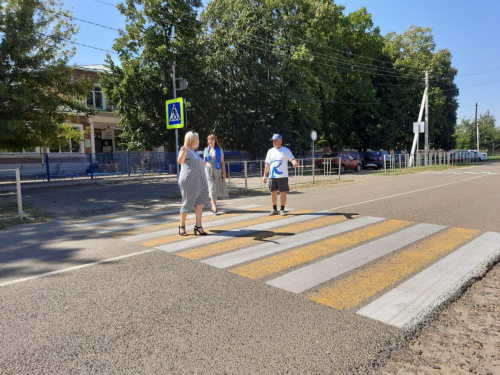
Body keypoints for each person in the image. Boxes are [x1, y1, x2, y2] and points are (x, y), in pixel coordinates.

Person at [177, 131, 210, 236]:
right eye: (197, 139)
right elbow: (180, 161)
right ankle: (182, 226)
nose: (198, 141)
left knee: (199, 203)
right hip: (189, 181)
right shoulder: (185, 150)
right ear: (192, 140)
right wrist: (183, 152)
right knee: (187, 203)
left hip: (199, 182)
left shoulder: (195, 152)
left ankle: (198, 226)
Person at [262, 134, 299, 216]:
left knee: (283, 192)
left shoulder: (286, 150)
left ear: (280, 141)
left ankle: (282, 209)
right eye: (273, 141)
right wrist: (265, 175)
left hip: (282, 176)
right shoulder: (270, 151)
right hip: (272, 176)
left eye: (275, 140)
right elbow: (267, 164)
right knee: (273, 193)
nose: (273, 142)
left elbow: (292, 159)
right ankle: (274, 209)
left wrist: (295, 163)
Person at [204, 134, 228, 213]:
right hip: (208, 171)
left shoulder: (219, 150)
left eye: (212, 139)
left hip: (217, 171)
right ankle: (214, 206)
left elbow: (222, 162)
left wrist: (224, 173)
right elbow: (204, 161)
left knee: (215, 188)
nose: (211, 141)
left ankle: (213, 205)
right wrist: (201, 172)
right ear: (208, 141)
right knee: (211, 187)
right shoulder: (206, 150)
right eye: (209, 140)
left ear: (215, 141)